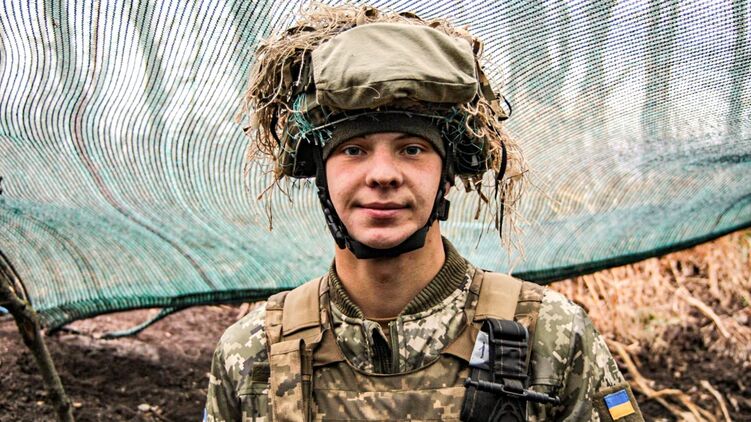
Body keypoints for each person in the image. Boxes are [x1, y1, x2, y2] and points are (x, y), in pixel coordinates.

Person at [205, 4, 644, 421]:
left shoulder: (550, 336)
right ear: (322, 176)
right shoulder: (253, 352)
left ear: (446, 177)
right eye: (353, 150)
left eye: (412, 149)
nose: (383, 175)